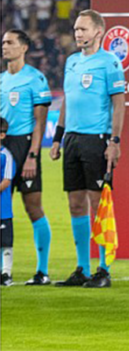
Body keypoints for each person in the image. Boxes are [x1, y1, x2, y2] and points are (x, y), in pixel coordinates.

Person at [50, 9, 125, 288]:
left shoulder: (110, 63)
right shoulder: (71, 62)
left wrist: (114, 142)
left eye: (83, 29)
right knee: (75, 203)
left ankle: (103, 270)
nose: (78, 33)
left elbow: (119, 104)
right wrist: (58, 138)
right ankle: (81, 268)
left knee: (98, 204)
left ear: (98, 32)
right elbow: (68, 101)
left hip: (98, 139)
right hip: (72, 138)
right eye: (76, 29)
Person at [0, 29, 53, 285]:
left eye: (9, 42)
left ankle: (42, 271)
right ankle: (4, 270)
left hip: (25, 145)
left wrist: (33, 155)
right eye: (3, 43)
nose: (4, 47)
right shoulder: (0, 80)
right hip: (3, 148)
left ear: (23, 48)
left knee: (33, 208)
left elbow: (40, 122)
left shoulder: (36, 78)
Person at [0, 118, 14, 286]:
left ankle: (6, 273)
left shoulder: (6, 156)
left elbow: (7, 180)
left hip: (3, 209)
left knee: (5, 242)